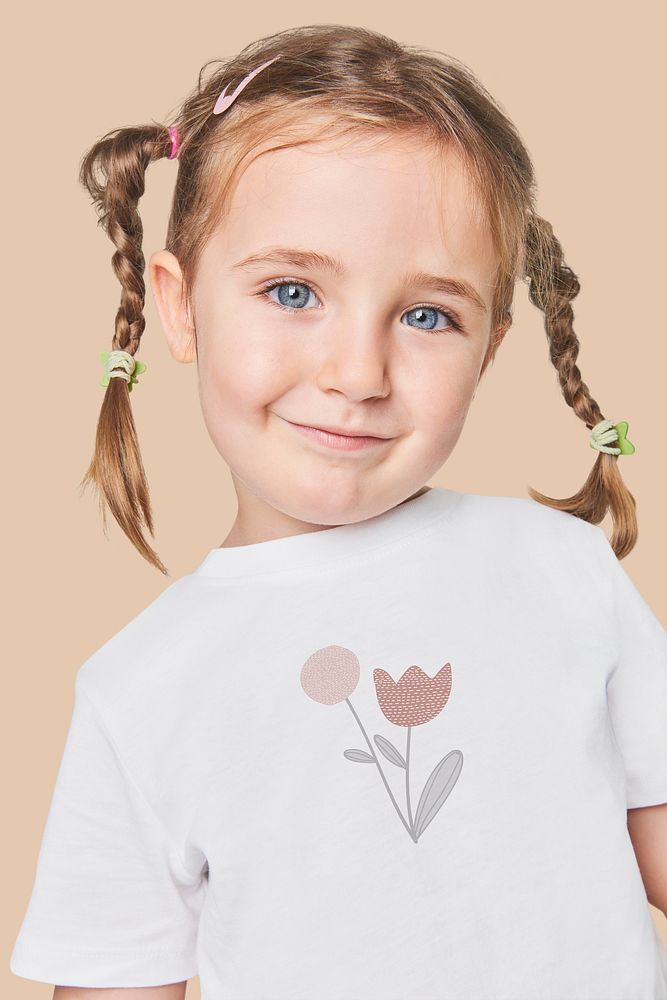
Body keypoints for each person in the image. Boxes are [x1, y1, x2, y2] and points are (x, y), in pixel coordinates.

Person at [9, 23, 667, 1000]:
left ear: (488, 348)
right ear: (180, 307)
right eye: (291, 290)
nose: (357, 374)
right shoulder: (140, 691)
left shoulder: (561, 568)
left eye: (427, 315)